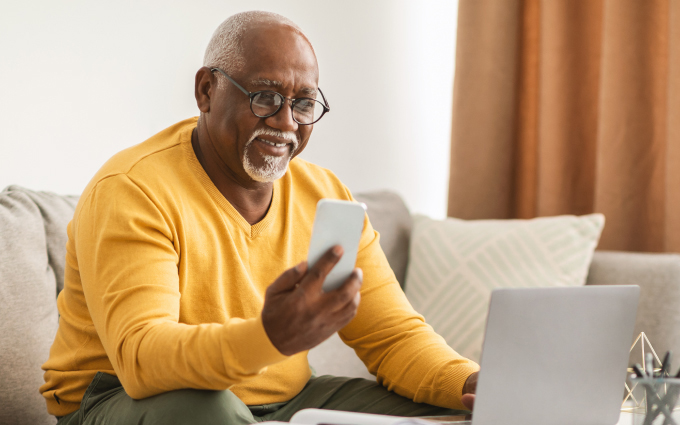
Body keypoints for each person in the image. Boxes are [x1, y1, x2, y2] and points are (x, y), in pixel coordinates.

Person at [40, 11, 479, 424]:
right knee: (208, 412)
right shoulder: (133, 188)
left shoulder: (324, 195)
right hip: (125, 400)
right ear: (206, 91)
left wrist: (472, 383)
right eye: (265, 97)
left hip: (285, 402)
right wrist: (270, 336)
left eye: (303, 103)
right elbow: (142, 361)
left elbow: (393, 337)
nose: (286, 122)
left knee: (447, 412)